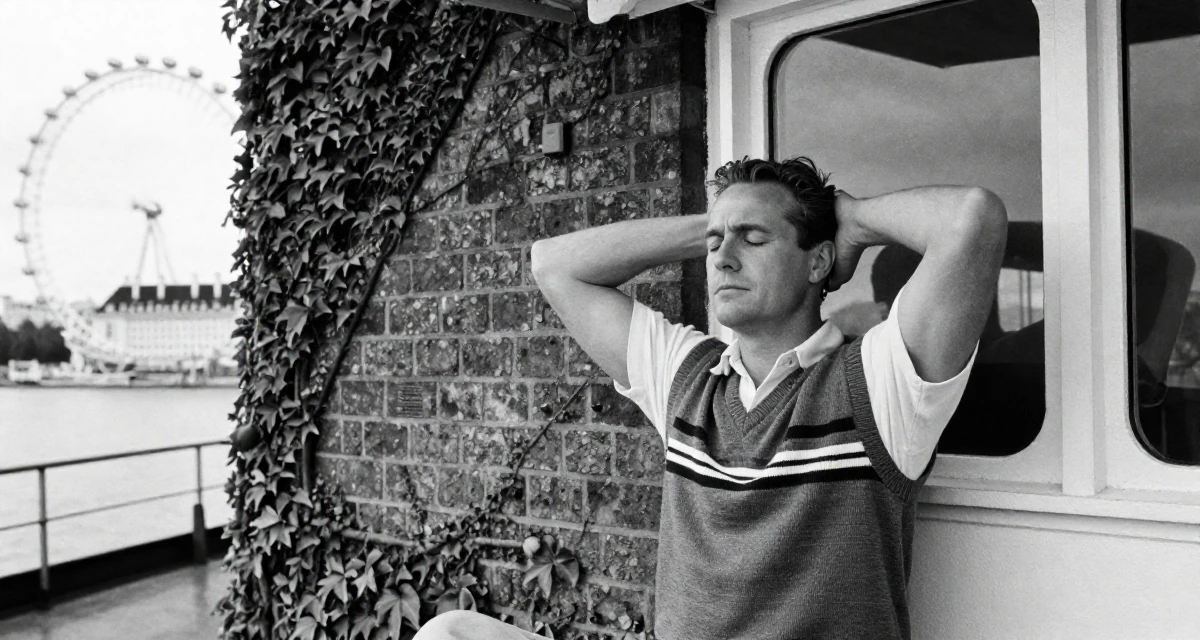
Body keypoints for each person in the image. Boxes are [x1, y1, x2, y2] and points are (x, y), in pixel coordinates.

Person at [414, 157, 1007, 639]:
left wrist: (851, 219)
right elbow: (555, 264)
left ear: (818, 261)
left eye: (753, 239)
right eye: (716, 243)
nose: (723, 258)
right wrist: (719, 223)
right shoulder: (689, 378)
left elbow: (971, 219)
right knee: (451, 633)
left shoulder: (877, 386)